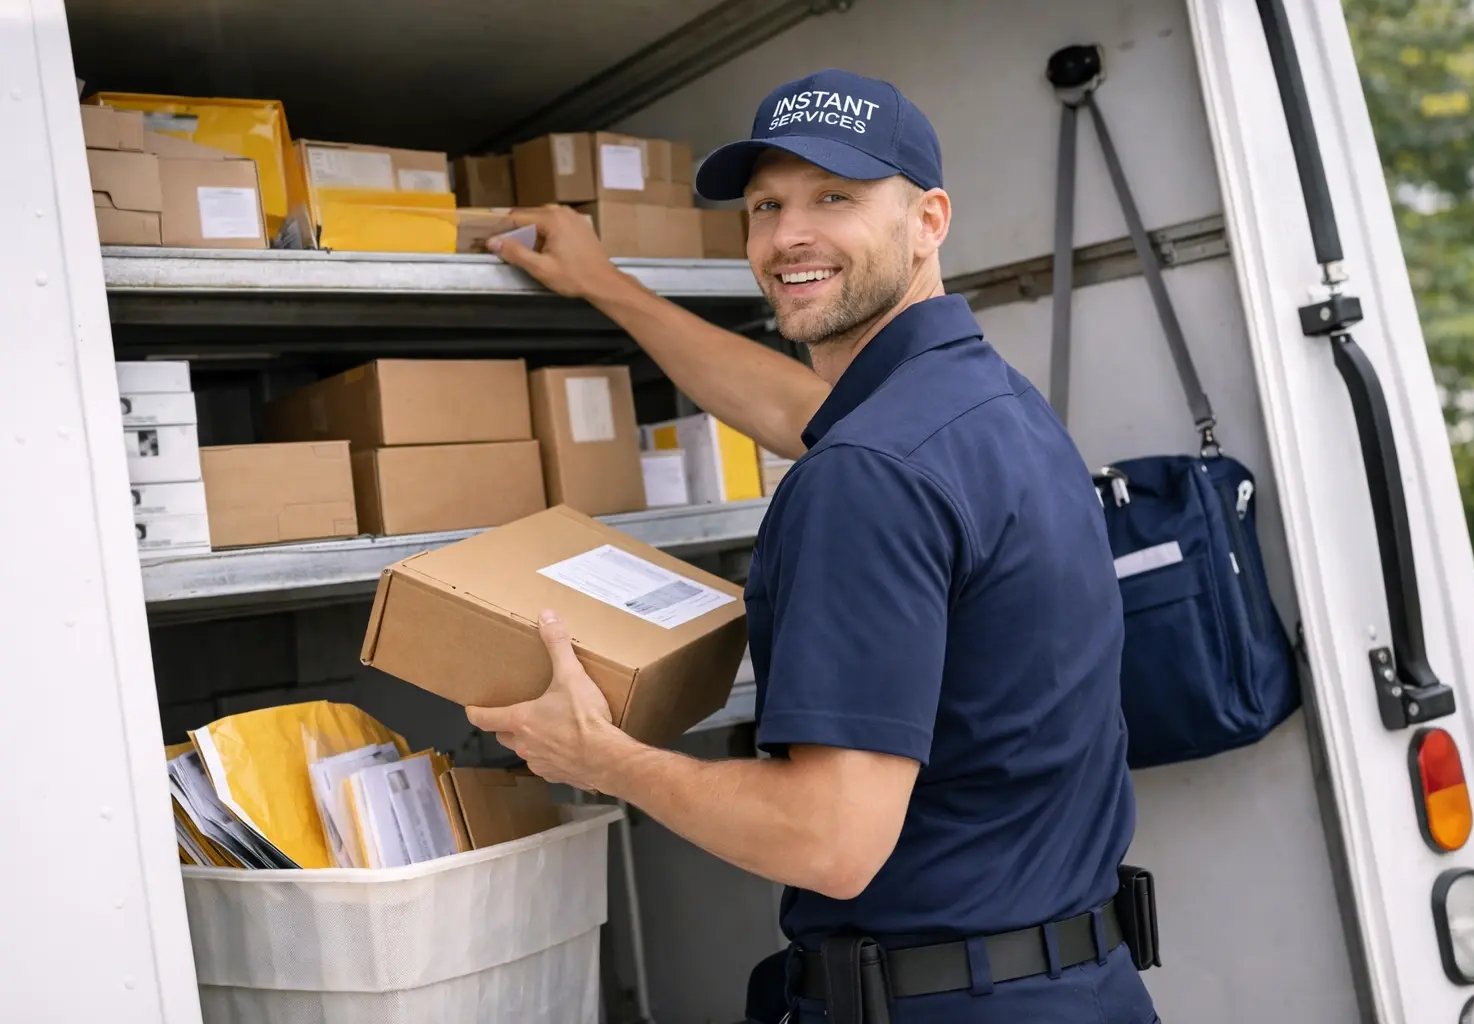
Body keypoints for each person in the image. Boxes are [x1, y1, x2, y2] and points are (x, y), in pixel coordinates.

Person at [466, 68, 1159, 1024]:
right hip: (1079, 986)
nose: (789, 234)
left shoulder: (868, 475)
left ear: (929, 220)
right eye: (766, 205)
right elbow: (798, 409)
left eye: (835, 197)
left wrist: (599, 756)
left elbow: (829, 840)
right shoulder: (985, 407)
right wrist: (603, 285)